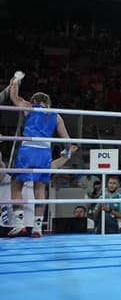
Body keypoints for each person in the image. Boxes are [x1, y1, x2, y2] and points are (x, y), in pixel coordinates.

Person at [8, 78, 72, 237]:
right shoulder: (56, 116)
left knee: (16, 185)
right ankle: (37, 227)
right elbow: (67, 142)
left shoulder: (30, 107)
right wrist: (67, 153)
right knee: (40, 188)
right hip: (44, 153)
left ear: (35, 101)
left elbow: (14, 97)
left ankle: (19, 224)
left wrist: (15, 80)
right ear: (48, 103)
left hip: (28, 150)